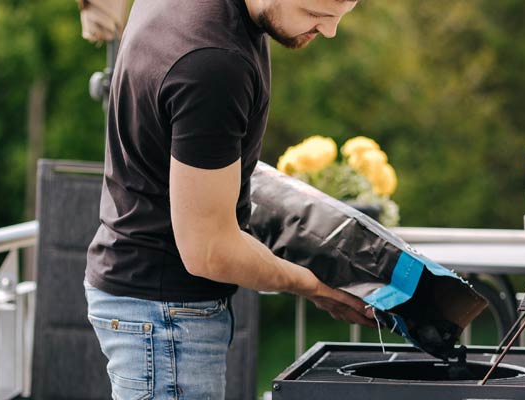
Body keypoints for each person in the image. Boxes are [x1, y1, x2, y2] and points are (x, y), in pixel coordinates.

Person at [76, 0, 370, 398]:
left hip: (147, 299)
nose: (329, 31)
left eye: (340, 14)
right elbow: (209, 250)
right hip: (164, 316)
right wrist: (321, 289)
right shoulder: (215, 64)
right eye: (315, 12)